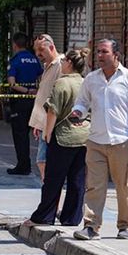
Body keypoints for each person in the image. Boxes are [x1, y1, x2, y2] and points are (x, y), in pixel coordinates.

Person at [71, 38, 128, 241]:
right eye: (98, 52)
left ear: (116, 55)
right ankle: (91, 226)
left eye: (104, 52)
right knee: (94, 185)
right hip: (96, 140)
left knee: (124, 185)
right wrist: (77, 112)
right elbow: (82, 102)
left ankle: (125, 225)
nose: (99, 56)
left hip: (123, 141)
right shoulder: (91, 79)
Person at [25, 49, 90, 227]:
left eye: (64, 61)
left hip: (63, 137)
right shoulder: (86, 83)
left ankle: (45, 216)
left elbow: (53, 110)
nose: (61, 63)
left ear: (69, 62)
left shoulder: (61, 84)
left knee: (54, 179)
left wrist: (47, 132)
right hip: (84, 136)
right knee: (77, 179)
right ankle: (72, 217)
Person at [26, 34, 63, 180]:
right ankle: (49, 194)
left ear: (52, 47)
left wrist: (47, 124)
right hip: (43, 122)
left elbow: (57, 97)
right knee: (42, 162)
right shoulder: (48, 65)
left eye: (41, 50)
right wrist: (38, 123)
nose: (38, 54)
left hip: (52, 124)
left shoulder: (60, 65)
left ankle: (51, 196)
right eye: (36, 50)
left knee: (45, 162)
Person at [6, 33, 43, 176]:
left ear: (15, 45)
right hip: (34, 100)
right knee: (34, 132)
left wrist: (27, 90)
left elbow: (12, 83)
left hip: (20, 100)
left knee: (20, 134)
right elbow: (41, 76)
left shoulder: (15, 60)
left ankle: (23, 165)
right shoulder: (34, 59)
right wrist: (36, 90)